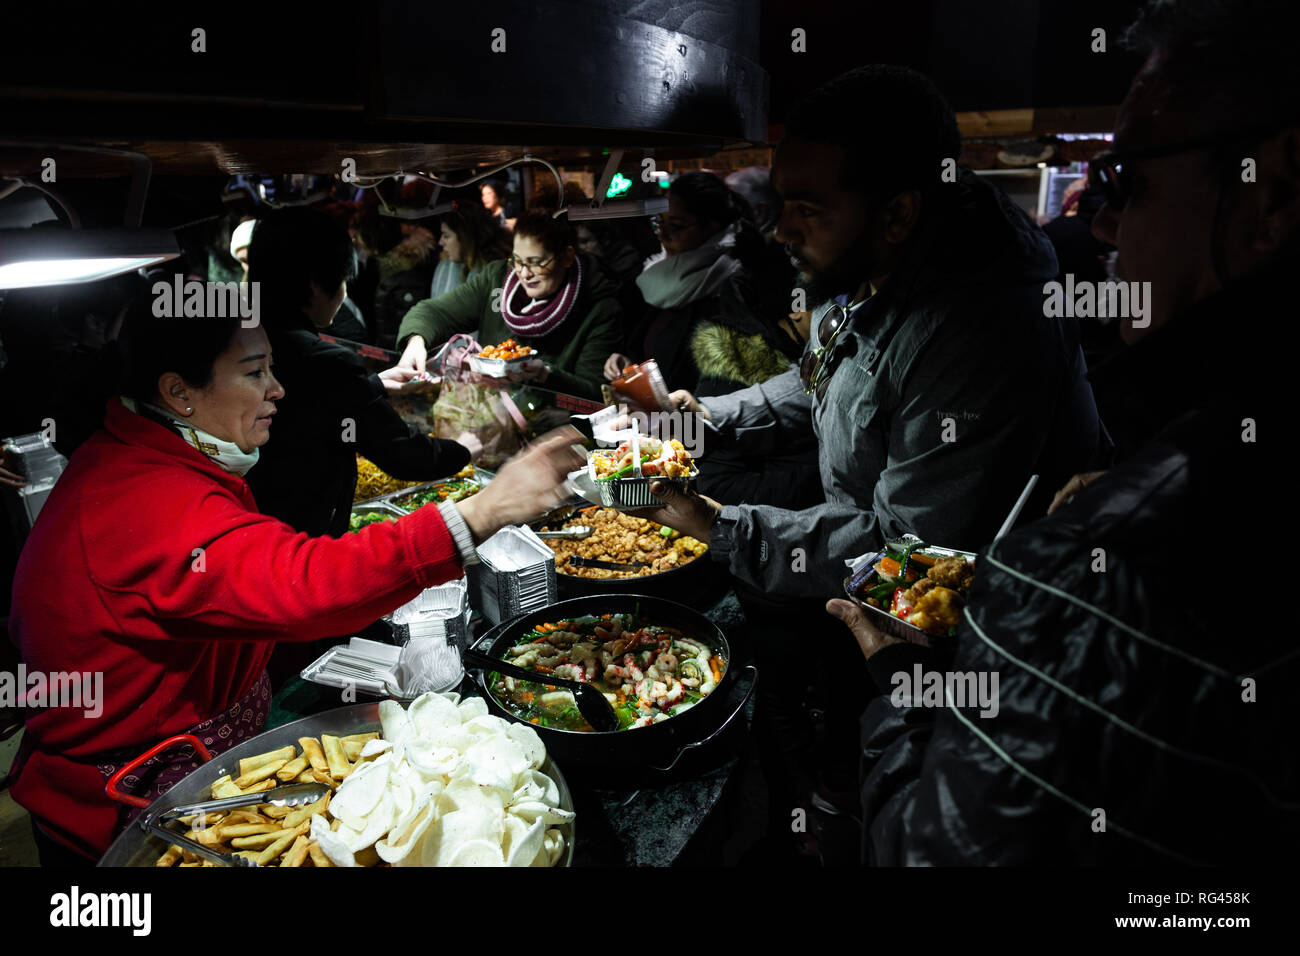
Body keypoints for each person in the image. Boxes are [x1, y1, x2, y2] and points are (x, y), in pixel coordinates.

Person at [831, 0, 1298, 865]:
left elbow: (925, 852)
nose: (1105, 222)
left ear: (1270, 196)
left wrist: (901, 686)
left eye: (1129, 182)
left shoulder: (1090, 567)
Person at [641, 65, 1108, 858]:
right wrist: (706, 418)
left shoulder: (978, 331)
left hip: (956, 643)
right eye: (782, 203)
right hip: (867, 606)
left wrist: (719, 525)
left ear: (898, 212)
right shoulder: (873, 267)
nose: (782, 230)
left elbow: (906, 551)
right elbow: (821, 377)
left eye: (807, 209)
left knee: (886, 813)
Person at [6, 306, 582, 863]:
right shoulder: (149, 500)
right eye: (254, 372)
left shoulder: (145, 453)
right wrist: (483, 511)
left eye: (272, 369)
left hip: (199, 753)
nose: (277, 389)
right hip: (128, 808)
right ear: (179, 392)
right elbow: (307, 585)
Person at [243, 206, 470, 540]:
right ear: (315, 285)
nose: (345, 291)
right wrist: (466, 449)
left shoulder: (243, 337)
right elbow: (404, 456)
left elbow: (312, 406)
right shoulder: (325, 361)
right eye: (342, 279)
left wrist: (374, 385)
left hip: (252, 520)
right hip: (302, 535)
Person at [606, 172, 815, 508]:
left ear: (713, 225)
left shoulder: (732, 301)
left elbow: (728, 464)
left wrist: (706, 514)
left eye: (677, 225)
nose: (664, 234)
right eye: (659, 223)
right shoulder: (659, 278)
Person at [393, 211, 623, 402]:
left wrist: (545, 374)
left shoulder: (599, 307)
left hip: (558, 426)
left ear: (567, 257)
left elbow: (594, 393)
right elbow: (431, 312)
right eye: (518, 261)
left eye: (536, 263)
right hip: (493, 414)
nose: (524, 273)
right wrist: (416, 342)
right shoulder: (497, 279)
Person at [429, 202, 512, 300]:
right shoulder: (446, 266)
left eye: (446, 236)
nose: (441, 242)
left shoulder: (494, 275)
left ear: (465, 238)